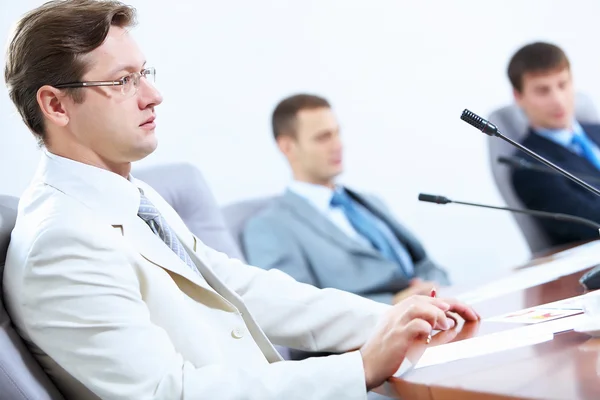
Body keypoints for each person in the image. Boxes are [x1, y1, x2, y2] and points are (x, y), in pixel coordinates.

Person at [2, 1, 479, 399]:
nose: (154, 95)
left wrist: (393, 319)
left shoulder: (132, 195)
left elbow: (239, 287)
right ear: (56, 105)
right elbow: (169, 394)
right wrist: (360, 368)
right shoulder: (61, 242)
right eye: (123, 80)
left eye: (145, 72)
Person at [243, 94, 450, 305]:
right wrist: (393, 304)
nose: (337, 145)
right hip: (379, 328)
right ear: (287, 147)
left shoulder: (370, 203)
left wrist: (435, 288)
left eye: (337, 133)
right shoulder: (270, 226)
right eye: (323, 137)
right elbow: (295, 308)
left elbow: (424, 264)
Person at [508, 42, 600, 247]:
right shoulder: (528, 166)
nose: (558, 100)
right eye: (543, 91)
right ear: (518, 97)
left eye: (562, 84)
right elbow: (588, 220)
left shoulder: (597, 130)